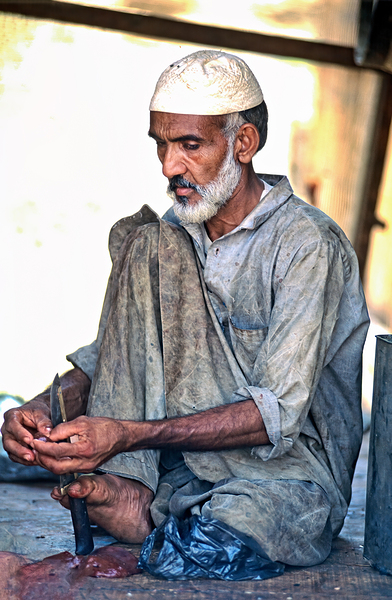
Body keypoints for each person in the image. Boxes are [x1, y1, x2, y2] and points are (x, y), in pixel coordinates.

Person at [2, 50, 369, 567]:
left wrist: (128, 434)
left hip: (287, 474)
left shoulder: (307, 245)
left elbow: (278, 416)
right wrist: (43, 410)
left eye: (190, 145)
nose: (171, 166)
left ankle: (152, 502)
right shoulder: (171, 237)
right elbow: (109, 356)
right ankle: (135, 483)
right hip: (182, 461)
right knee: (145, 240)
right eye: (163, 145)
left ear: (243, 143)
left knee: (239, 529)